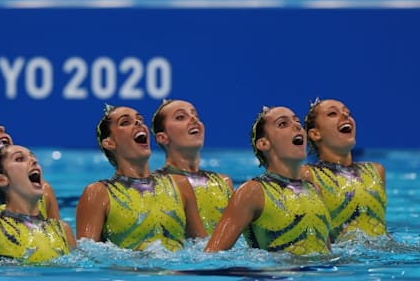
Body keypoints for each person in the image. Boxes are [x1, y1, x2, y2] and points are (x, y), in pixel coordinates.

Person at [76, 104, 206, 252]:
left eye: (140, 119)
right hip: (131, 273)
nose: (138, 123)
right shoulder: (98, 193)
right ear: (109, 143)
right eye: (125, 122)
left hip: (179, 273)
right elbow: (87, 254)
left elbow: (202, 247)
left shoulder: (179, 184)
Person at [205, 106, 331, 256]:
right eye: (283, 124)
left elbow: (327, 253)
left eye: (297, 121)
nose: (297, 126)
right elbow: (211, 256)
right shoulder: (252, 192)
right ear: (264, 144)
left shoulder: (313, 189)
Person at [0, 143, 75, 262]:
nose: (33, 161)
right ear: (2, 180)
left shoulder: (62, 230)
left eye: (34, 158)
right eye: (19, 159)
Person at [301, 98, 387, 242]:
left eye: (348, 113)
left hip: (382, 259)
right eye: (332, 114)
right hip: (341, 262)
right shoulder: (307, 175)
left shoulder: (376, 171)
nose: (345, 116)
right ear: (315, 134)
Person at [151, 99, 234, 235]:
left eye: (195, 115)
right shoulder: (155, 185)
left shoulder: (223, 183)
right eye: (180, 117)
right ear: (162, 137)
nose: (193, 120)